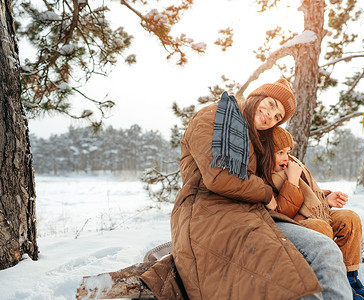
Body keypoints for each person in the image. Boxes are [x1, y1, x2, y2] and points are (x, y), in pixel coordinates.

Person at [140, 78, 353, 299]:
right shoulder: (215, 116)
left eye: (278, 116)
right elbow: (219, 176)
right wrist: (265, 194)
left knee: (324, 250)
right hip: (209, 216)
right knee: (289, 281)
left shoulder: (254, 138)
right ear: (256, 96)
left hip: (253, 215)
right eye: (270, 104)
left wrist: (319, 195)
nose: (271, 115)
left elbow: (272, 179)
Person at [266, 126, 364, 300]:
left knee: (349, 218)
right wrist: (291, 180)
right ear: (267, 153)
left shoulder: (291, 164)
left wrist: (326, 198)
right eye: (280, 152)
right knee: (320, 227)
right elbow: (282, 211)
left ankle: (350, 279)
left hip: (310, 213)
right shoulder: (264, 175)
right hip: (291, 223)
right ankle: (331, 282)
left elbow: (308, 193)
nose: (286, 157)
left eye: (288, 152)